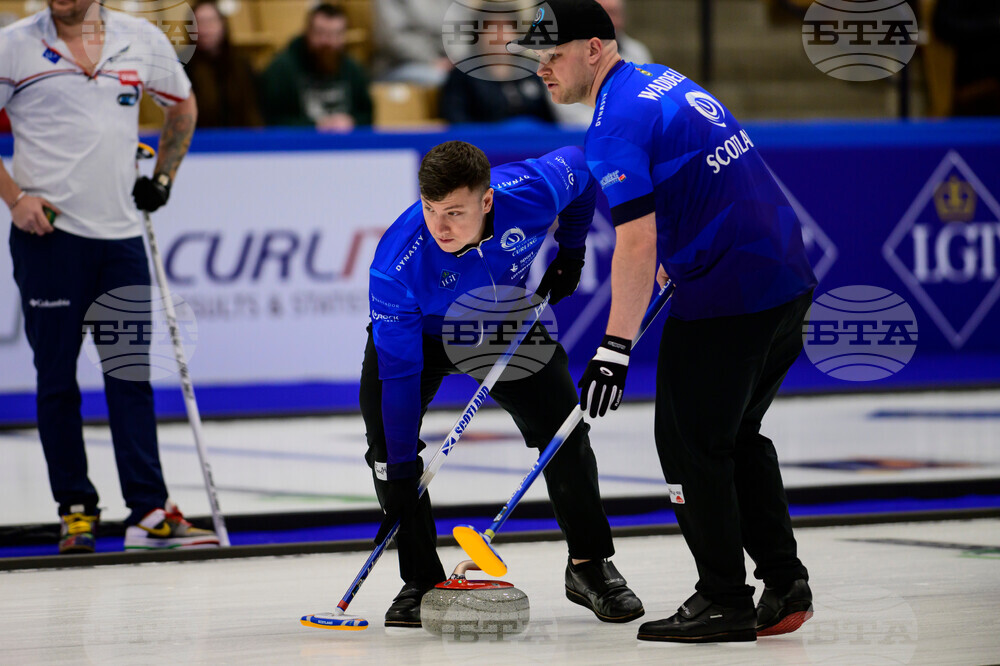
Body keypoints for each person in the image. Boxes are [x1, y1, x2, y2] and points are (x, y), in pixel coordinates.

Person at [510, 0, 817, 643]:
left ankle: (724, 599)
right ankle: (784, 585)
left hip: (730, 294)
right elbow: (697, 185)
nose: (541, 69)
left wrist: (613, 348)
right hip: (784, 277)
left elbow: (635, 241)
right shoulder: (660, 81)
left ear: (595, 48)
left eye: (553, 54)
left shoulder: (614, 124)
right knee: (734, 435)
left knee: (687, 446)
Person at [363, 140, 644, 627]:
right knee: (391, 452)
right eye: (430, 210)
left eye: (454, 212)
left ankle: (589, 565)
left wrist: (571, 251)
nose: (440, 227)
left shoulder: (532, 189)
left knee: (564, 430)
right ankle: (421, 582)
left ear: (487, 200)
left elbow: (584, 169)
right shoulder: (397, 266)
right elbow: (400, 377)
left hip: (498, 319)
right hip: (420, 336)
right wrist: (403, 467)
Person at [0, 0, 219, 553]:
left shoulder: (139, 38)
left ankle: (147, 512)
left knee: (130, 375)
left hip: (121, 239)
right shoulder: (14, 43)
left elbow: (183, 106)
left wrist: (163, 178)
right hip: (48, 238)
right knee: (56, 380)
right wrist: (15, 199)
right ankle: (76, 509)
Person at [259, 3, 372, 130]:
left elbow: (367, 116)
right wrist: (315, 126)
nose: (328, 42)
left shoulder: (353, 69)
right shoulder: (281, 69)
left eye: (336, 34)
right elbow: (272, 120)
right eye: (321, 33)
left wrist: (352, 121)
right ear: (307, 32)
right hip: (298, 147)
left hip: (345, 146)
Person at [552, 0, 654, 127]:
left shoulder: (638, 51)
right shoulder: (566, 53)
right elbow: (567, 110)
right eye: (602, 13)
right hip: (582, 131)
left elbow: (645, 100)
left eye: (612, 13)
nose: (607, 20)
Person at [184, 0, 263, 128]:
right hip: (200, 141)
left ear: (223, 24)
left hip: (240, 139)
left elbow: (254, 111)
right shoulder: (184, 69)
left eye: (210, 21)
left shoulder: (242, 65)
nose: (205, 29)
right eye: (199, 23)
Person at [371, 0, 453, 86]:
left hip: (447, 62)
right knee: (448, 79)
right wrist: (433, 60)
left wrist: (455, 59)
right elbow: (393, 38)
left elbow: (459, 29)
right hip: (400, 64)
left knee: (463, 77)